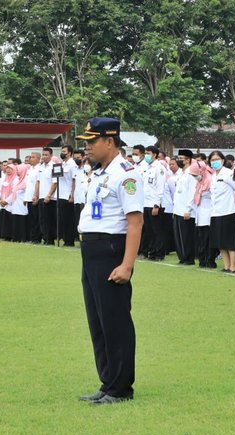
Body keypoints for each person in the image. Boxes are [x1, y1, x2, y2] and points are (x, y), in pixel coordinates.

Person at [76, 117, 143, 405]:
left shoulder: (125, 174)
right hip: (91, 250)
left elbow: (136, 222)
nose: (87, 147)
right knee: (98, 321)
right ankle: (107, 381)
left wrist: (127, 265)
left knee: (115, 320)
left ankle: (120, 387)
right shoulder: (101, 172)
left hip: (111, 249)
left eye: (92, 141)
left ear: (110, 141)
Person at [209, 150, 235, 273]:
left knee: (230, 241)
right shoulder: (213, 176)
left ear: (222, 160)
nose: (214, 162)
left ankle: (234, 266)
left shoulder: (228, 174)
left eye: (217, 159)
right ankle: (226, 266)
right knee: (220, 241)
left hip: (229, 211)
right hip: (216, 211)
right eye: (212, 160)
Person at [140, 146, 166, 261]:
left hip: (154, 203)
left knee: (157, 230)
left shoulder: (159, 168)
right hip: (145, 203)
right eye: (145, 153)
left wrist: (156, 205)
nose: (146, 155)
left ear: (155, 154)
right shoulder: (146, 167)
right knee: (149, 230)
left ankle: (159, 253)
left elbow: (160, 187)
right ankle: (151, 251)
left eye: (148, 153)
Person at [189, 159, 216, 268]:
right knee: (201, 239)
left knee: (208, 239)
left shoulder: (209, 180)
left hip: (209, 213)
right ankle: (202, 260)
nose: (195, 177)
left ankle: (209, 260)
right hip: (200, 214)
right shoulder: (200, 182)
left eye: (196, 174)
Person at [172, 149, 197, 264]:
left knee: (186, 236)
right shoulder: (182, 174)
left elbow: (192, 193)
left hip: (186, 211)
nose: (179, 160)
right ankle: (182, 257)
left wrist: (188, 209)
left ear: (188, 160)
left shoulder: (191, 174)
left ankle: (188, 258)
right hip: (177, 209)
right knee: (178, 235)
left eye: (181, 159)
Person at [25, 152, 42, 243]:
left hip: (35, 197)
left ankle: (37, 238)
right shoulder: (30, 169)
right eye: (30, 157)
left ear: (38, 159)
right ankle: (32, 237)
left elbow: (38, 183)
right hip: (28, 196)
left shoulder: (39, 169)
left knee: (36, 218)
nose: (31, 159)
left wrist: (36, 196)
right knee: (31, 218)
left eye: (33, 157)